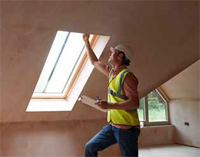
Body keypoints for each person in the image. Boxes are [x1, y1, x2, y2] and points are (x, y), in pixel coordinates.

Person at [83, 33, 140, 157]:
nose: (109, 54)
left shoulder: (127, 76)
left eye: (113, 52)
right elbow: (94, 61)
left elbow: (135, 103)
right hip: (113, 127)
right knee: (90, 147)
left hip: (127, 129)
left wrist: (109, 105)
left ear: (120, 56)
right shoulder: (112, 73)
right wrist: (86, 41)